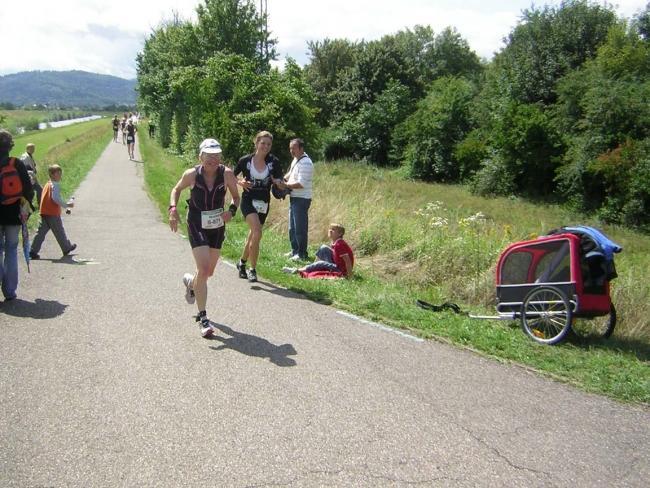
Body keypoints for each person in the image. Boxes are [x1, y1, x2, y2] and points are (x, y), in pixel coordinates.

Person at [169, 138, 240, 338]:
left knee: (208, 273)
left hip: (217, 226)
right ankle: (203, 317)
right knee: (204, 268)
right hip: (196, 223)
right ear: (201, 157)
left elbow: (236, 197)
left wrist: (232, 211)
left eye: (216, 156)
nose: (213, 160)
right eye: (209, 156)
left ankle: (192, 284)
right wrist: (173, 209)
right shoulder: (191, 174)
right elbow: (176, 190)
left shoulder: (226, 174)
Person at [233, 131, 284, 282]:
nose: (266, 146)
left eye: (268, 144)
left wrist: (278, 183)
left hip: (264, 202)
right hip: (248, 200)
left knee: (254, 235)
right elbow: (231, 176)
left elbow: (280, 181)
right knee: (257, 231)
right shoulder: (245, 160)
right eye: (263, 143)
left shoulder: (274, 162)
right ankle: (252, 269)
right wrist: (240, 182)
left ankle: (241, 263)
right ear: (256, 143)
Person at [0, 129, 34, 301]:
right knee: (11, 250)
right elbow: (28, 189)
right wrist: (26, 209)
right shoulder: (16, 163)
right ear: (10, 146)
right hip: (14, 214)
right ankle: (10, 291)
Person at [29, 164, 76, 259]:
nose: (59, 175)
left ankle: (33, 250)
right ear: (52, 174)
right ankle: (66, 247)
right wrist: (66, 205)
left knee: (41, 232)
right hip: (52, 213)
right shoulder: (55, 185)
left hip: (44, 212)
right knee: (59, 231)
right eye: (57, 173)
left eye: (60, 173)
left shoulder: (48, 184)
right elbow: (55, 198)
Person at [283, 223, 354, 278]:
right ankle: (312, 266)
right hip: (337, 264)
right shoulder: (336, 242)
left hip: (341, 270)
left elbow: (347, 260)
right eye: (330, 229)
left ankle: (297, 270)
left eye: (333, 230)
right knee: (324, 248)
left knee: (321, 263)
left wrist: (349, 276)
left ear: (340, 234)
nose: (330, 231)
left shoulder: (340, 244)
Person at [284, 138, 313, 261]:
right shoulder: (296, 159)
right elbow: (289, 175)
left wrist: (285, 186)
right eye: (290, 148)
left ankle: (301, 254)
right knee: (292, 227)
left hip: (302, 199)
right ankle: (294, 251)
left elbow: (301, 184)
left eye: (294, 148)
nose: (291, 151)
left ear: (301, 148)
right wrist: (281, 180)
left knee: (300, 228)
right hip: (294, 197)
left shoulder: (306, 163)